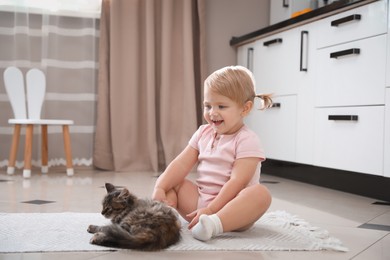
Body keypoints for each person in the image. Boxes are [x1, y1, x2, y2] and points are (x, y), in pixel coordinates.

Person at [152, 65, 273, 241]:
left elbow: (237, 182)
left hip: (233, 209)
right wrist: (160, 187)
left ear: (245, 109)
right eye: (208, 106)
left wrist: (211, 211)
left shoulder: (247, 140)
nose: (212, 113)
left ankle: (214, 225)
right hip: (199, 204)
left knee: (261, 194)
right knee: (173, 183)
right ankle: (164, 218)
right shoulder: (203, 132)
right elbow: (180, 164)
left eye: (221, 106)